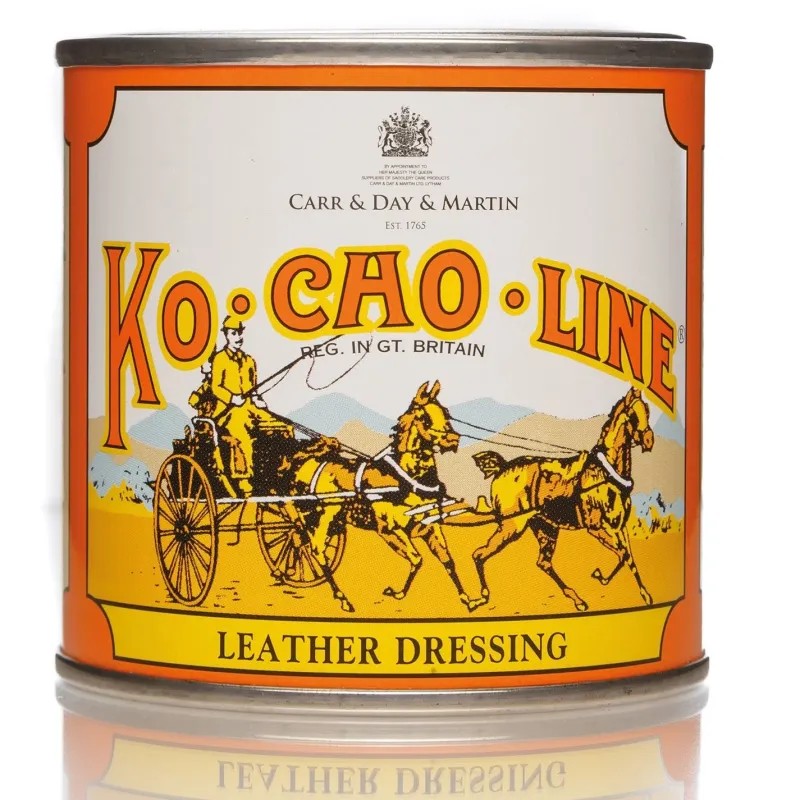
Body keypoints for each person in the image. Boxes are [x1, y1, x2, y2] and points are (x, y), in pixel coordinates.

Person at [210, 316, 293, 496]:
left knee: (284, 427)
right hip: (227, 412)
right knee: (243, 434)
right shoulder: (220, 359)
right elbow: (216, 387)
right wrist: (232, 398)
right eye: (233, 333)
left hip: (250, 408)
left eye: (240, 333)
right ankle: (245, 481)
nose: (238, 337)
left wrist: (257, 399)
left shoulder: (249, 361)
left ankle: (282, 474)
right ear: (226, 335)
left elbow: (253, 388)